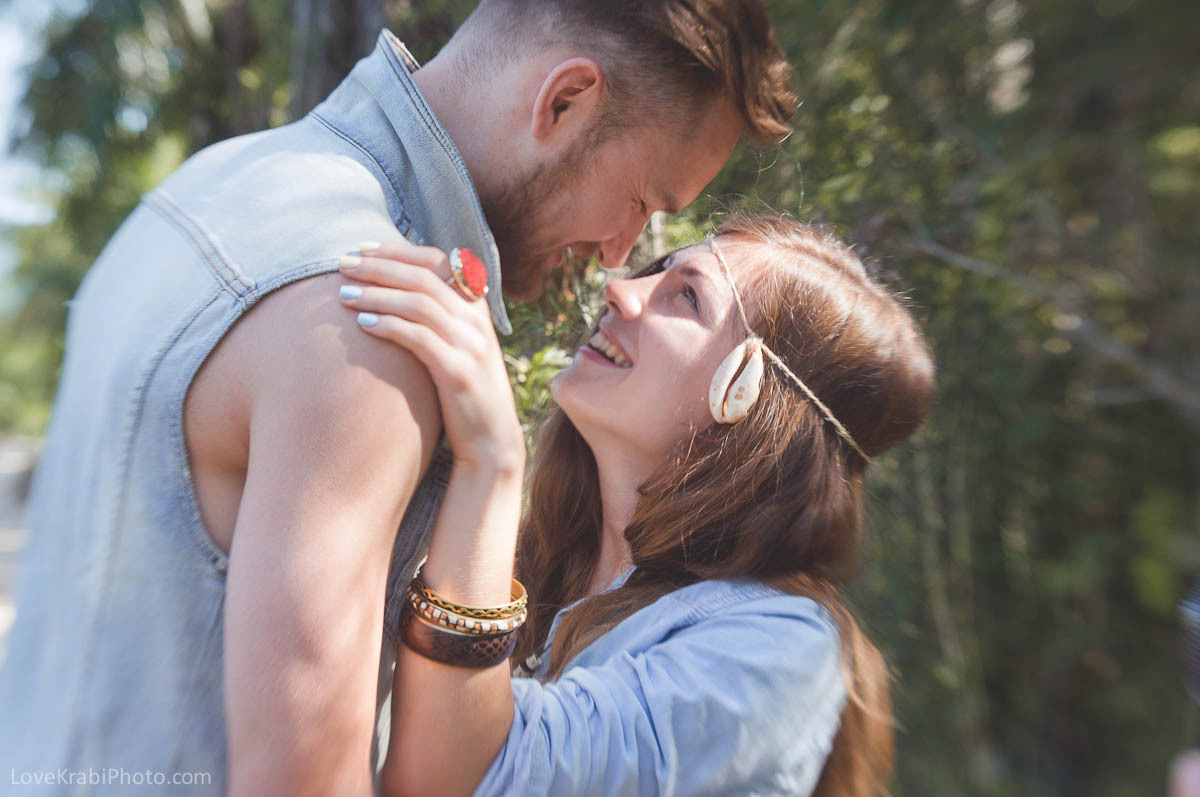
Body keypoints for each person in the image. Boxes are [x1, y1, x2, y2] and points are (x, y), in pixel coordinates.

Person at [0, 2, 797, 794]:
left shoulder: (221, 179)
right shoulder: (372, 321)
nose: (621, 257)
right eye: (642, 201)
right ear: (563, 102)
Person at [336, 215, 936, 795]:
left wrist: (491, 463)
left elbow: (470, 780)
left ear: (748, 397)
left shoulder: (779, 649)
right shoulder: (523, 567)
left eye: (686, 298)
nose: (620, 291)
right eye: (657, 271)